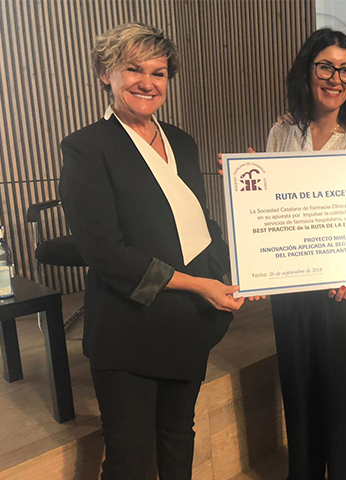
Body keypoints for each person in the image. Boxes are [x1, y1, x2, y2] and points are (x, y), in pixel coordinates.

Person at [59, 22, 250, 479]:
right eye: (134, 69)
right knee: (130, 457)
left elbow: (202, 226)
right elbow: (104, 251)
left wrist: (241, 272)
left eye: (158, 73)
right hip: (128, 328)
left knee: (178, 437)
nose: (147, 82)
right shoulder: (87, 148)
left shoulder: (181, 142)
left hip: (186, 324)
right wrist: (199, 284)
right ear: (105, 74)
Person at [267, 28, 346, 480]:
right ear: (307, 70)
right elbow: (270, 209)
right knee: (300, 398)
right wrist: (247, 183)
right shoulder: (282, 132)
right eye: (326, 67)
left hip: (345, 295)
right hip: (292, 293)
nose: (336, 78)